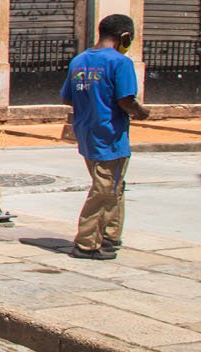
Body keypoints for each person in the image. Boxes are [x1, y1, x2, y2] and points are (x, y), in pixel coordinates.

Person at [61, 13, 149, 260]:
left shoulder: (79, 61)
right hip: (110, 136)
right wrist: (141, 112)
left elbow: (67, 97)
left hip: (87, 133)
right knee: (103, 189)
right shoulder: (120, 63)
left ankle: (110, 236)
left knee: (114, 187)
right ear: (125, 37)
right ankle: (86, 242)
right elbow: (125, 100)